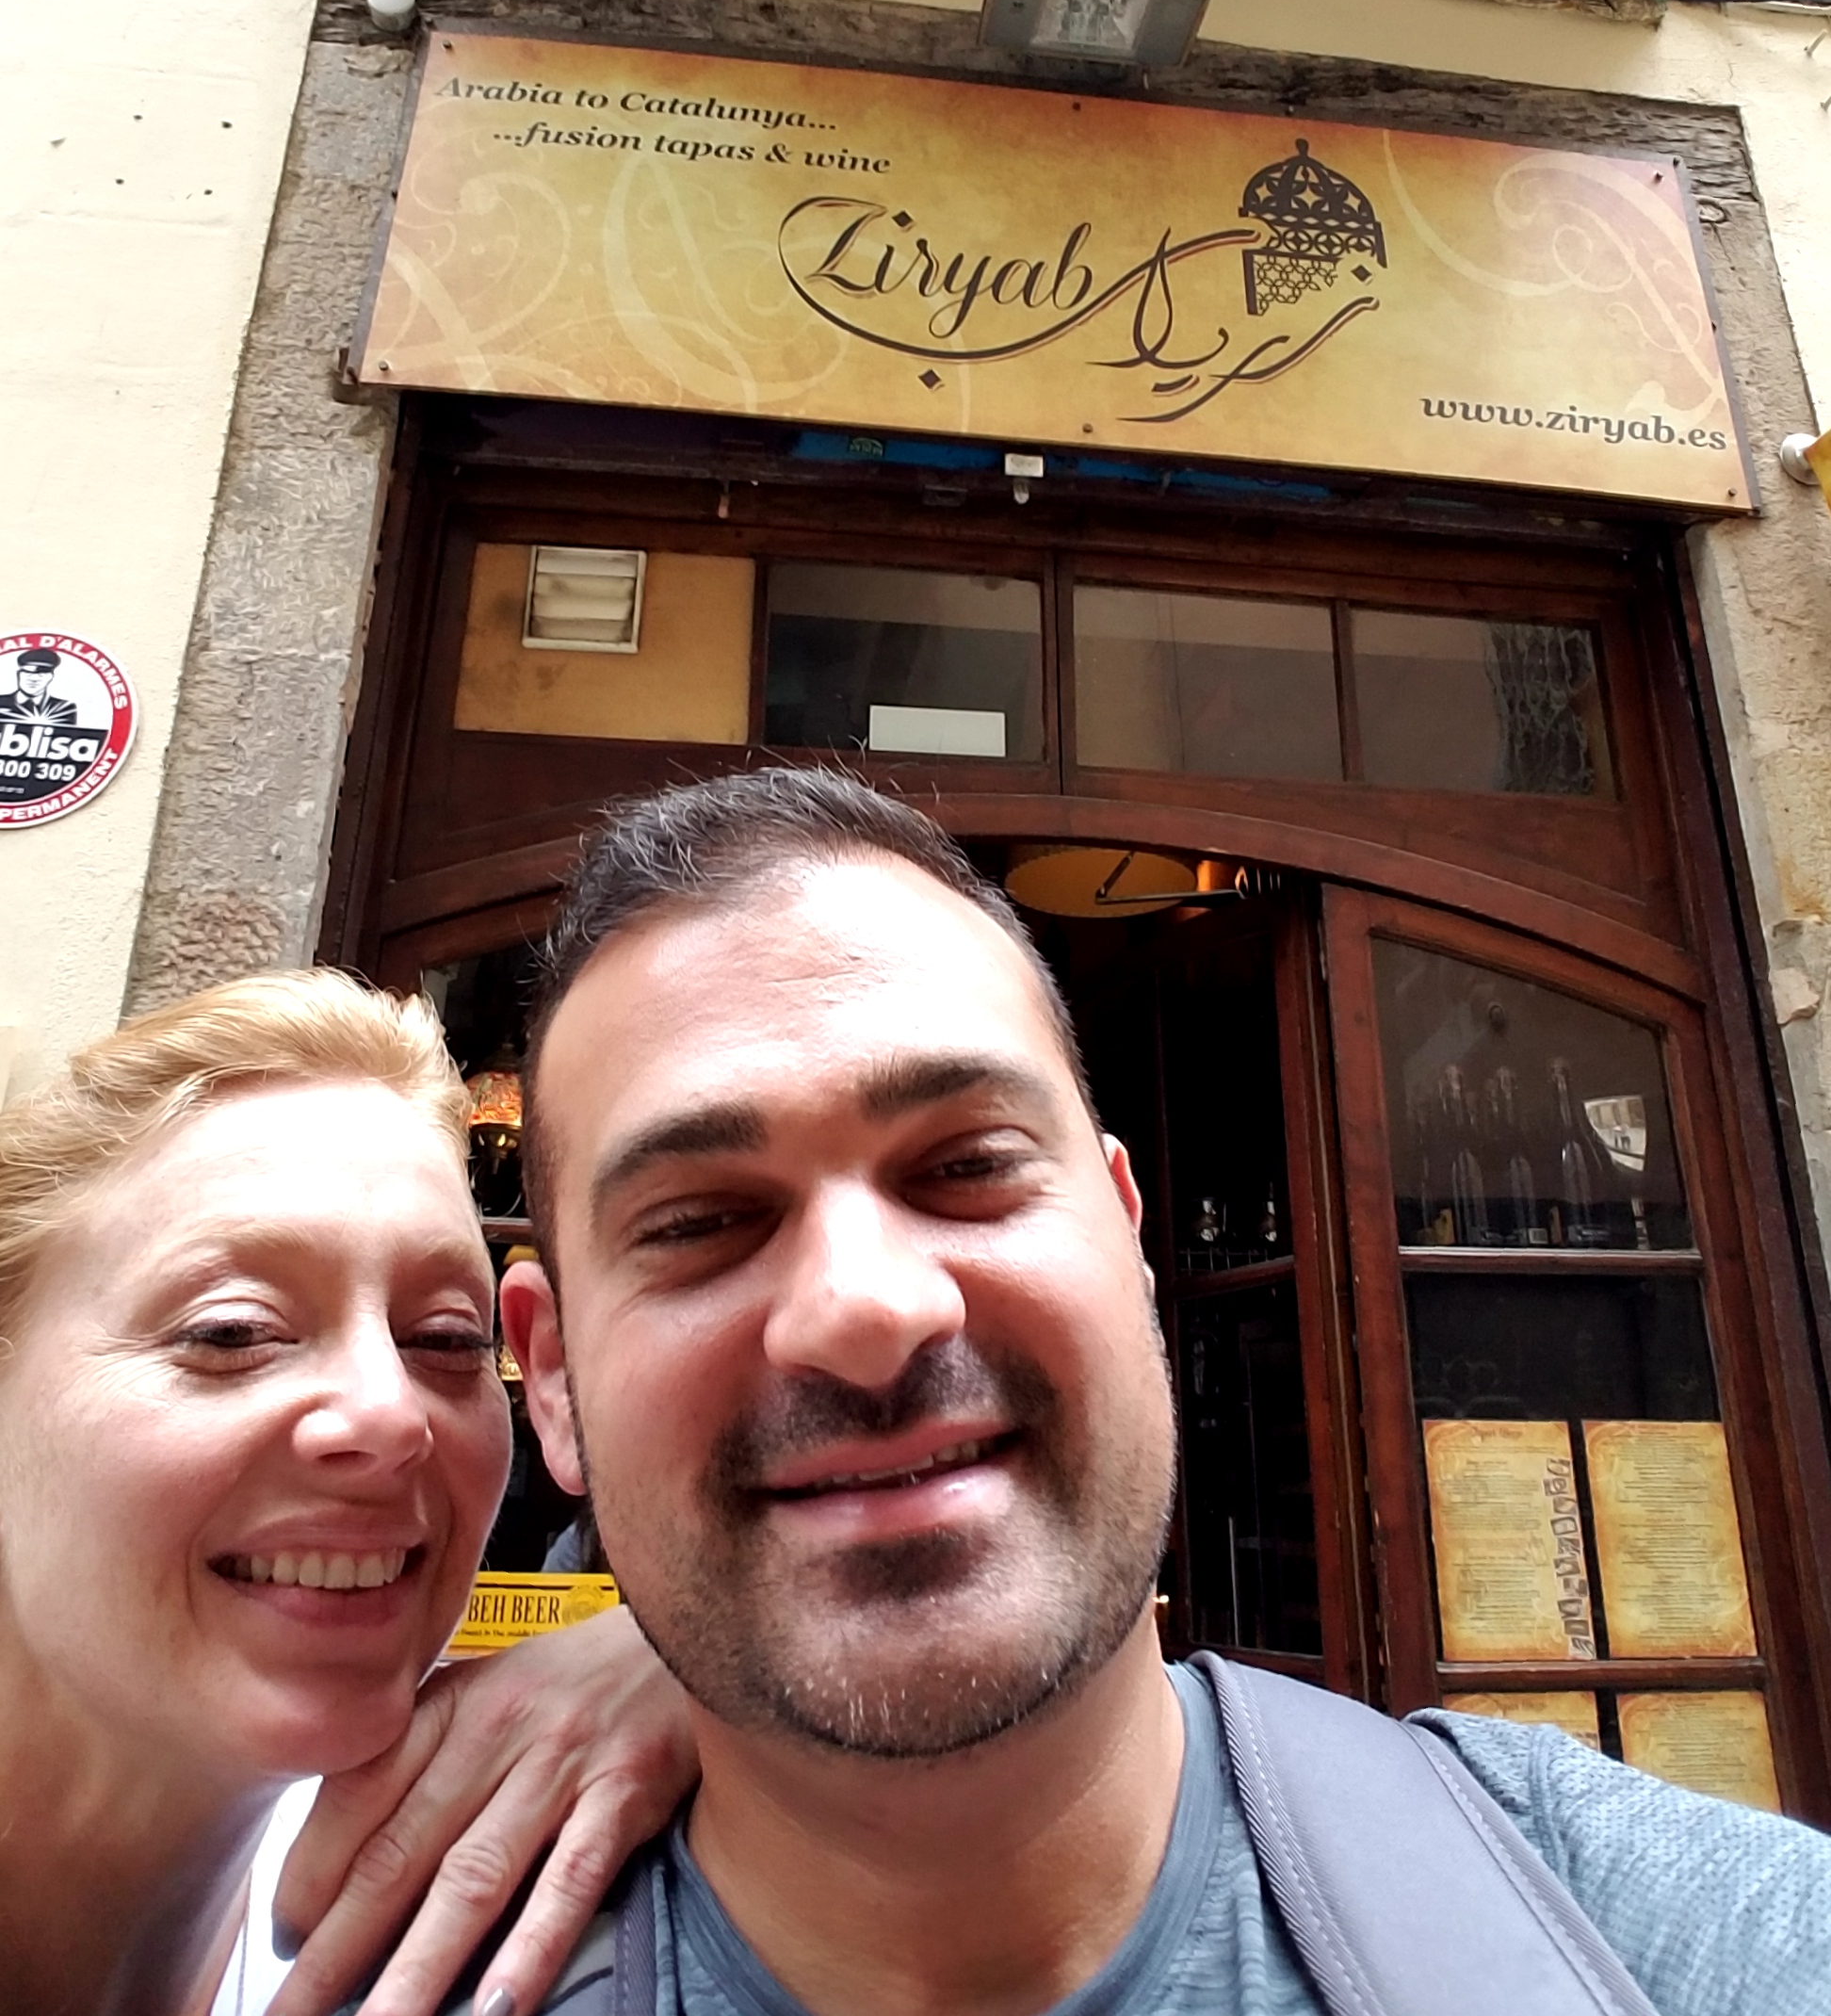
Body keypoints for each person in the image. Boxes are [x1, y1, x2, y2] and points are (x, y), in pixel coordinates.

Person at [486, 765, 1831, 2016]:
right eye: (701, 1223)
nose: (868, 1309)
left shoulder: (1679, 1942)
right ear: (550, 1377)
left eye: (968, 1166)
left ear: (1128, 1237)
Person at [0, 970, 696, 2016]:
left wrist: (694, 1662)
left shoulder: (477, 1892)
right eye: (233, 1332)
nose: (390, 1414)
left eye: (445, 1340)